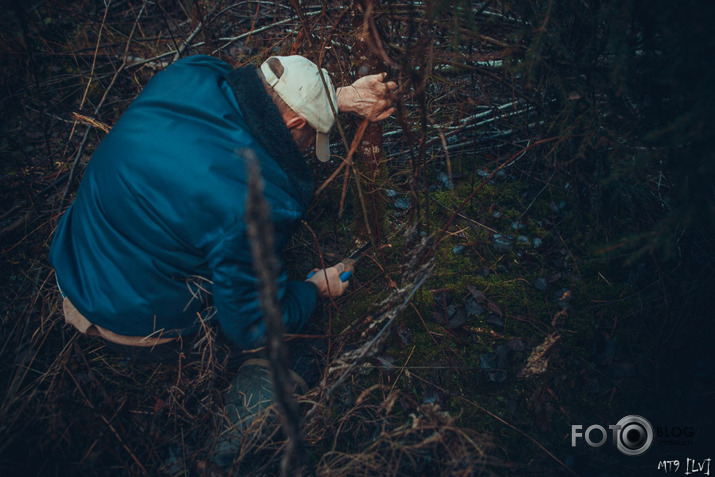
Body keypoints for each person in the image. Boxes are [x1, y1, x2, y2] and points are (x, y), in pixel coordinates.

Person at [49, 54, 395, 468]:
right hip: (125, 319)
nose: (306, 151)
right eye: (310, 138)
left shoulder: (192, 72)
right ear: (296, 125)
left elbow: (270, 105)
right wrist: (314, 289)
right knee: (301, 344)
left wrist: (335, 99)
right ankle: (224, 455)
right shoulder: (251, 205)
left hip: (75, 256)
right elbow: (251, 327)